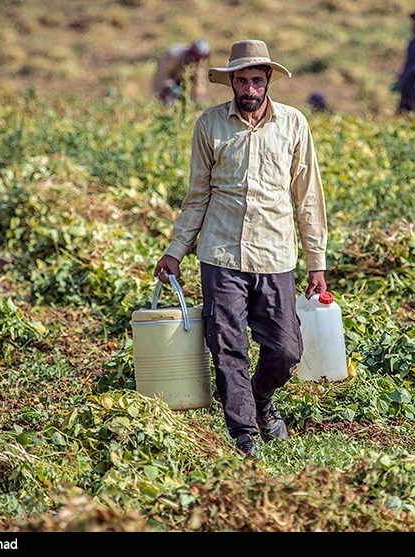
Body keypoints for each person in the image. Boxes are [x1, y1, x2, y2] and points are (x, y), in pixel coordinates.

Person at [153, 39, 328, 458]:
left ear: (268, 81)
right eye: (242, 81)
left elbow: (307, 198)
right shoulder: (209, 125)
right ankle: (244, 433)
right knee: (227, 346)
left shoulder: (293, 124)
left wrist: (316, 262)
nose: (249, 89)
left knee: (287, 350)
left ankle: (261, 400)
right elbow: (197, 196)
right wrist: (175, 251)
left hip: (276, 256)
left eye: (256, 80)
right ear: (231, 82)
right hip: (221, 254)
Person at [151, 39, 212, 107]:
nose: (200, 61)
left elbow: (199, 82)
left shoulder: (198, 62)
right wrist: (159, 94)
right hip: (169, 81)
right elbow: (161, 75)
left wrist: (197, 100)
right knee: (169, 91)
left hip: (182, 82)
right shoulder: (174, 55)